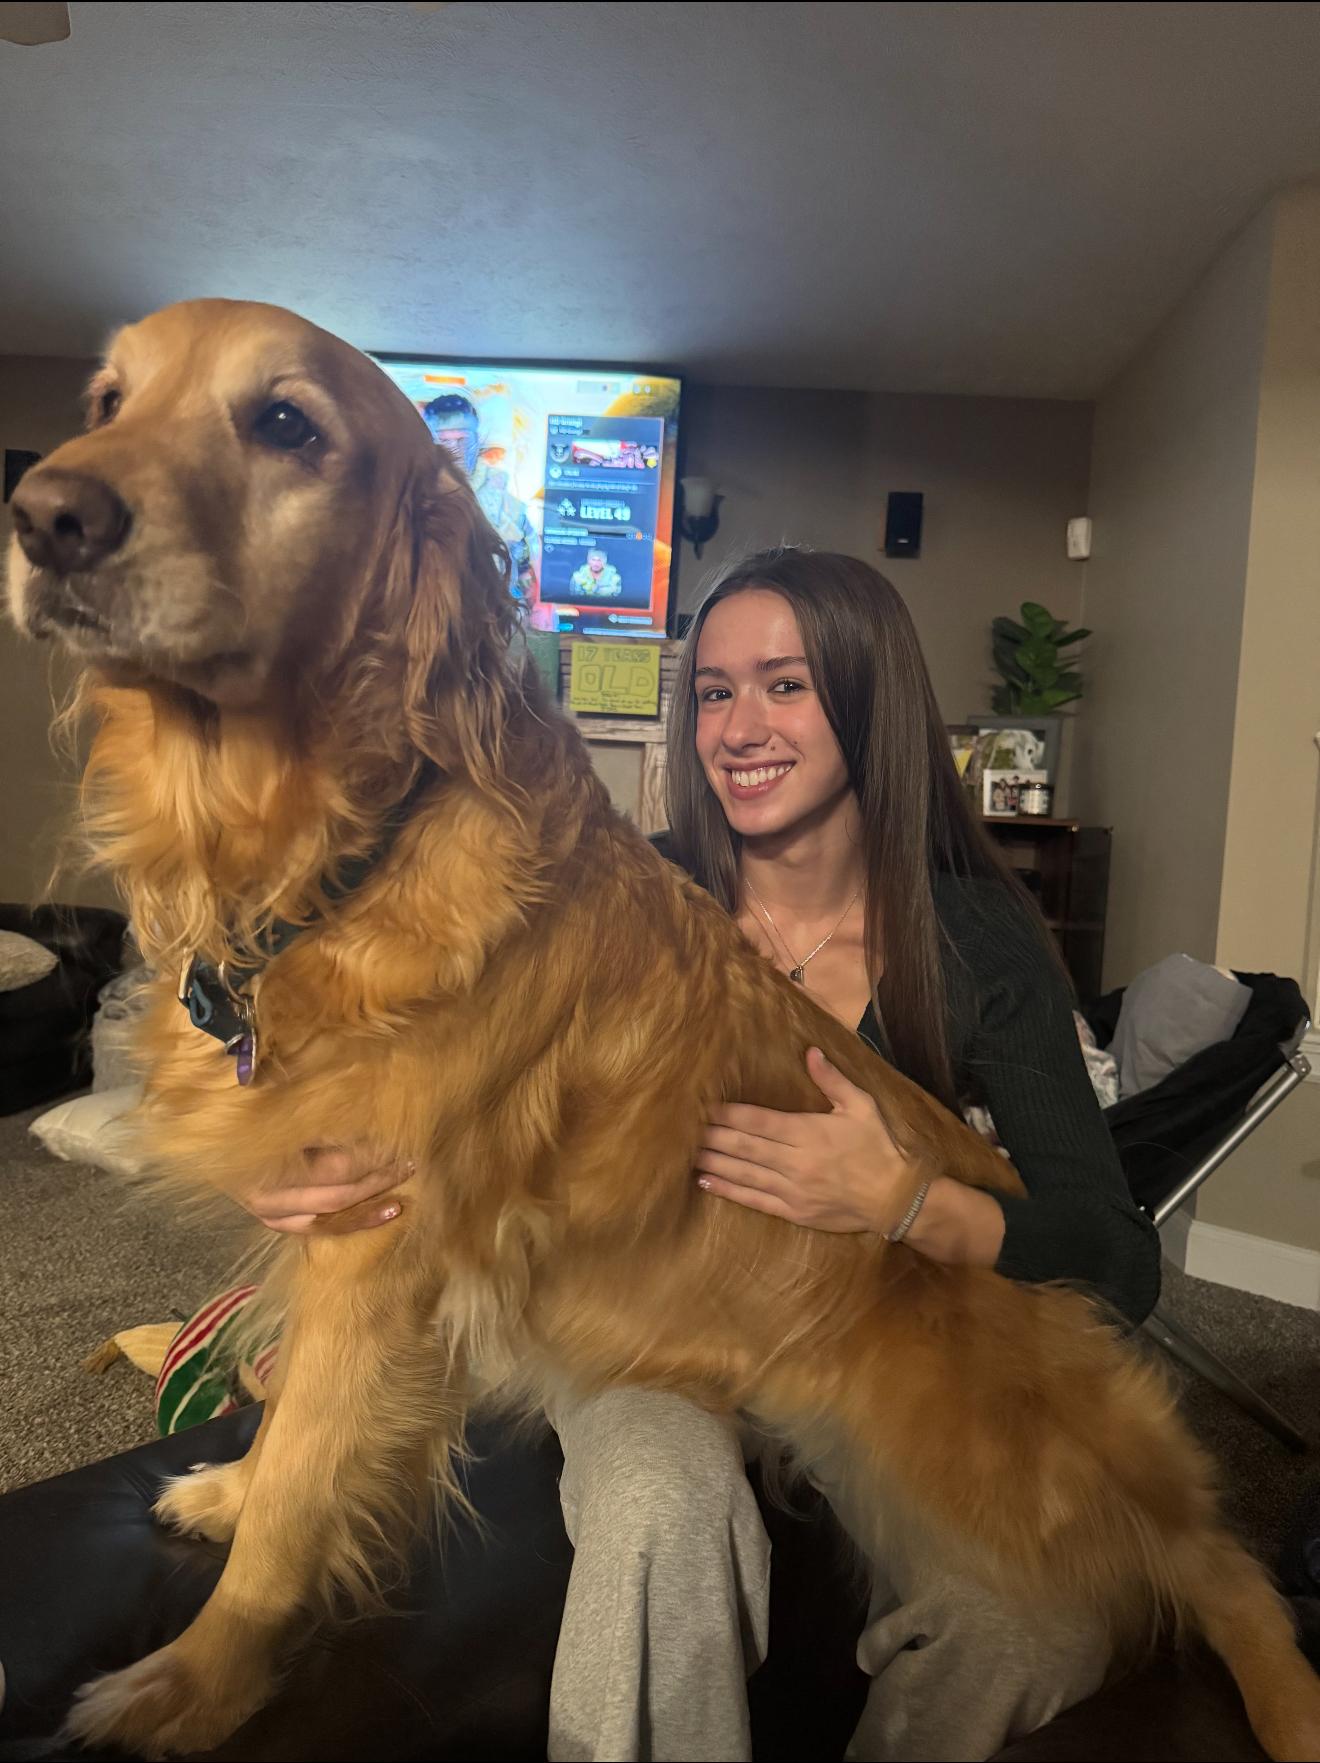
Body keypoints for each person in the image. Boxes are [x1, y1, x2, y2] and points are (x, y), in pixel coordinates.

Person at [247, 548, 1160, 1761]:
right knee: (659, 1501)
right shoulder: (617, 894)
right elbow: (423, 1085)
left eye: (784, 685)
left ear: (869, 700)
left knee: (1041, 1620)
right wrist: (296, 1165)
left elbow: (1117, 1259)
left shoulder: (976, 936)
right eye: (714, 692)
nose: (738, 728)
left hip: (856, 1343)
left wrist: (908, 1200)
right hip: (639, 1333)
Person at [422, 391, 538, 601]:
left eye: (462, 440)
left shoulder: (506, 501)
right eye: (444, 441)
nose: (454, 450)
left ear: (477, 440)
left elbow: (527, 563)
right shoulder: (412, 497)